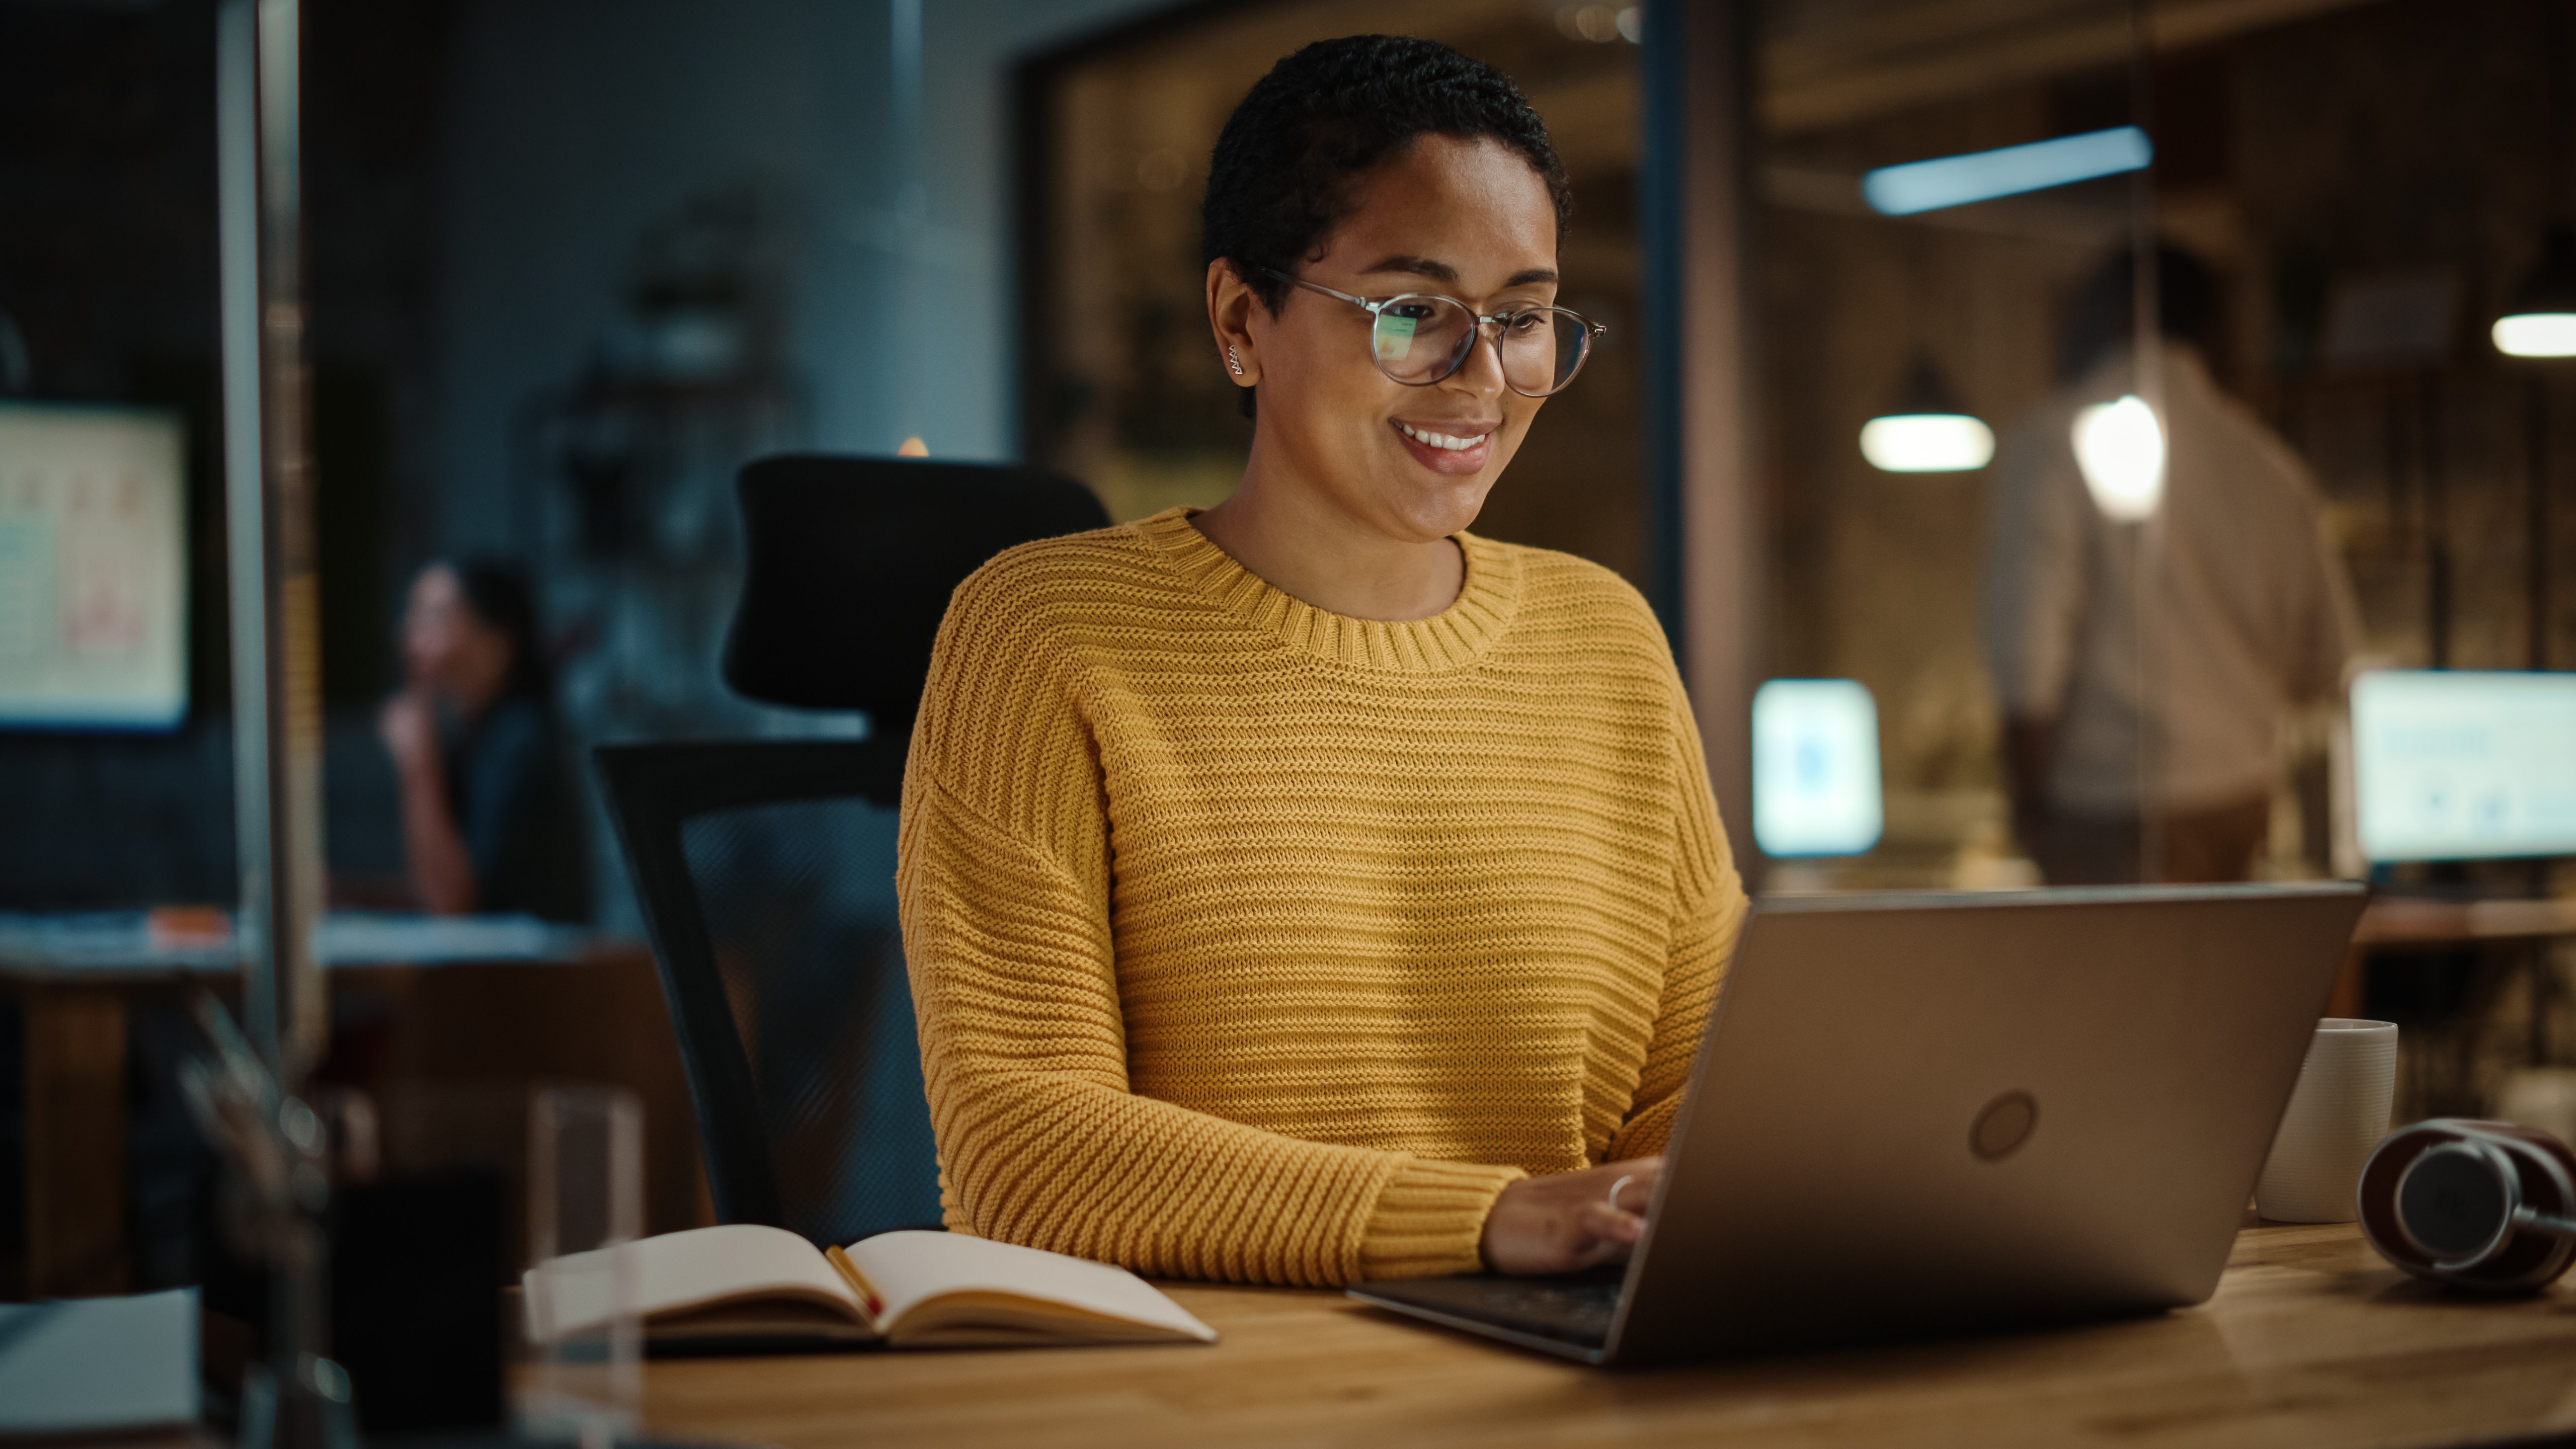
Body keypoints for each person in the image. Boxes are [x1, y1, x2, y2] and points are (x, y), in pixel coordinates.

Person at [896, 36, 1745, 1288]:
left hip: (1554, 1357)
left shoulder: (1604, 636)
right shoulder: (1041, 635)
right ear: (1244, 318)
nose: (1481, 378)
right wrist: (1484, 1217)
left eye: (1519, 318)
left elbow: (1705, 1088)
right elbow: (1023, 1150)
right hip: (1192, 1381)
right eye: (1411, 312)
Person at [1983, 246, 2360, 884]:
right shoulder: (2267, 464)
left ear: (2108, 316)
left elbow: (2029, 653)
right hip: (2239, 799)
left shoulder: (2051, 443)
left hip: (2108, 805)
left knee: (2117, 988)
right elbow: (2325, 661)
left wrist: (2026, 806)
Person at [378, 559, 589, 921]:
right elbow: (430, 889)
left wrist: (418, 761)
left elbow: (454, 903)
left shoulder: (522, 740)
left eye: (433, 620)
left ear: (496, 647)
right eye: (410, 619)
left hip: (539, 974)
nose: (410, 641)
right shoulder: (470, 739)